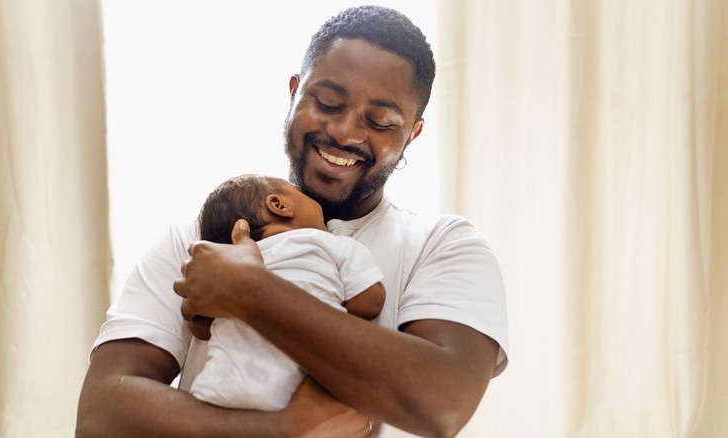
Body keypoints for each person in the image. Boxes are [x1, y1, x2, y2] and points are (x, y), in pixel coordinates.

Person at [77, 5, 508, 438]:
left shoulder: (443, 246)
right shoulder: (200, 237)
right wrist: (280, 430)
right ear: (294, 92)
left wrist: (251, 294)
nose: (344, 132)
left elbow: (442, 404)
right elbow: (100, 416)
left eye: (379, 121)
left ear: (411, 134)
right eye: (327, 102)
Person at [189, 173, 386, 411]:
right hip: (304, 388)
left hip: (222, 389)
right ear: (279, 205)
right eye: (301, 193)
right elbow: (368, 303)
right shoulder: (331, 243)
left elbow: (201, 328)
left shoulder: (228, 269)